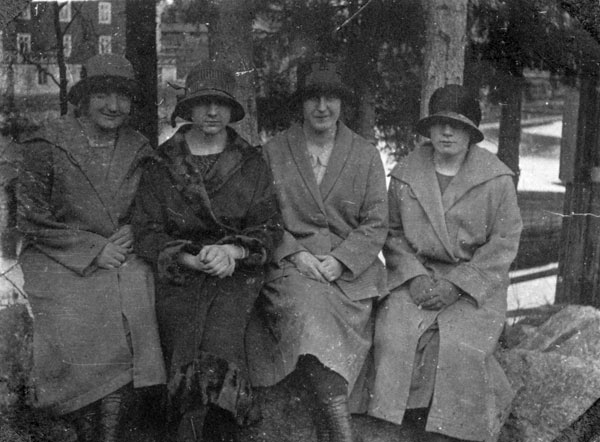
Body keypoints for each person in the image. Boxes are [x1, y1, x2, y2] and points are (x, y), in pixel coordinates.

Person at [17, 54, 166, 442]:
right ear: (83, 99)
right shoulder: (47, 143)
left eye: (123, 97)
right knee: (84, 306)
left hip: (122, 254)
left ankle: (112, 425)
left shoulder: (139, 147)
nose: (113, 106)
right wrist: (91, 249)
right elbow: (30, 218)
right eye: (102, 95)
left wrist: (134, 228)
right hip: (57, 256)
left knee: (137, 288)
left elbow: (154, 204)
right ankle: (85, 419)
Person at [131, 61, 283, 441]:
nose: (212, 112)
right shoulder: (162, 163)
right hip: (181, 272)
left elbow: (268, 226)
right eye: (203, 103)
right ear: (189, 108)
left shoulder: (251, 163)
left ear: (232, 110)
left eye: (221, 103)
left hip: (236, 273)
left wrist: (233, 252)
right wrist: (186, 257)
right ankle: (186, 426)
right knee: (181, 332)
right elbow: (146, 230)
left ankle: (218, 428)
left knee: (221, 334)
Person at [368, 84, 523, 442]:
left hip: (473, 285)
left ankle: (450, 432)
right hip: (417, 277)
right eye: (440, 124)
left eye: (457, 125)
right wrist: (413, 277)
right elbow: (392, 232)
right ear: (429, 129)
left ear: (471, 133)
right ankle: (397, 424)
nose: (448, 132)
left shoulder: (496, 179)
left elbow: (504, 242)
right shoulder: (406, 174)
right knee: (393, 335)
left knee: (458, 346)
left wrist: (458, 285)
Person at [253, 59, 388, 442]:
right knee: (311, 317)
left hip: (350, 275)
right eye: (313, 98)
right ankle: (340, 430)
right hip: (293, 268)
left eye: (331, 99)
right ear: (301, 104)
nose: (322, 108)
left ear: (343, 104)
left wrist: (342, 260)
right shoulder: (274, 151)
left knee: (332, 322)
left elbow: (377, 221)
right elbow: (262, 217)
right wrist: (295, 253)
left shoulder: (364, 154)